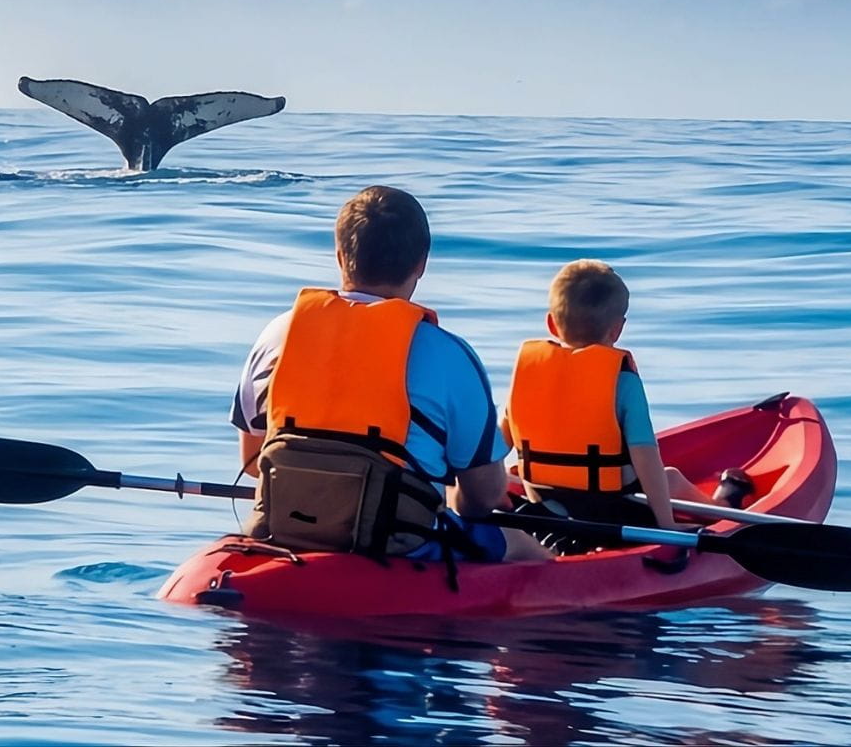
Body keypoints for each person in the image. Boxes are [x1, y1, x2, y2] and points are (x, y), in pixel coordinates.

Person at [231, 185, 551, 563]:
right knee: (520, 546)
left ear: (340, 256)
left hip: (286, 529)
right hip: (399, 544)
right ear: (421, 264)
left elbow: (252, 461)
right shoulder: (449, 354)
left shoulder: (276, 335)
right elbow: (483, 497)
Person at [503, 259, 751, 539]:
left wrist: (495, 493)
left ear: (550, 323)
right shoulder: (622, 381)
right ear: (617, 330)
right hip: (614, 511)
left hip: (546, 505)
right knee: (670, 478)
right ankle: (721, 508)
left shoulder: (531, 373)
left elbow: (494, 446)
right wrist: (666, 523)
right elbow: (646, 459)